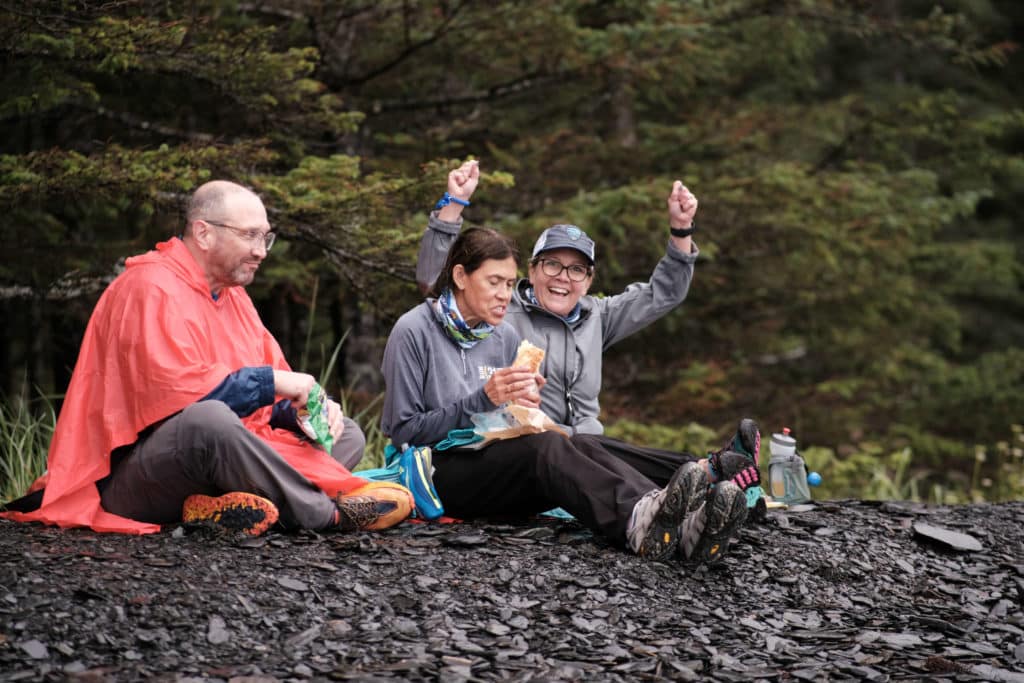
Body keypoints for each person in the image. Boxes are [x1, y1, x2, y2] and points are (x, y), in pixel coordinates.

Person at [1, 181, 412, 536]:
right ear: (203, 233)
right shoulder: (148, 286)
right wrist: (276, 383)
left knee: (346, 434)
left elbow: (266, 405)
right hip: (129, 478)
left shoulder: (234, 298)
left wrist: (301, 415)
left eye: (265, 238)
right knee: (208, 422)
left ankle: (217, 508)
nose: (261, 252)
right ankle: (330, 514)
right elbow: (177, 400)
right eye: (250, 236)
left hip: (206, 465)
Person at [417, 161, 763, 524]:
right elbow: (438, 282)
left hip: (589, 448)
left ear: (588, 278)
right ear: (532, 270)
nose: (563, 278)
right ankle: (700, 486)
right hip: (531, 451)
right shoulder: (503, 312)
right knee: (584, 449)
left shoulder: (598, 316)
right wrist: (452, 205)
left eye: (577, 269)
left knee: (609, 450)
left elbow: (664, 293)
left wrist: (681, 230)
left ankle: (724, 476)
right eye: (552, 265)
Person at [383, 226, 746, 564]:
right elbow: (404, 432)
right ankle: (638, 521)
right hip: (435, 473)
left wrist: (524, 409)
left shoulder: (503, 336)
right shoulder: (414, 331)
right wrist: (483, 400)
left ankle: (683, 525)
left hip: (490, 465)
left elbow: (499, 421)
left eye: (509, 284)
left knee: (577, 442)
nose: (503, 295)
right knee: (547, 446)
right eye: (494, 282)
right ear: (461, 276)